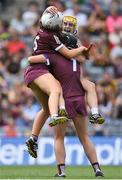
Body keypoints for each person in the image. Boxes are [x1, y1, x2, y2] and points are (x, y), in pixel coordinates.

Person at [26, 7, 104, 178]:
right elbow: (33, 58)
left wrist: (82, 51)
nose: (67, 30)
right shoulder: (63, 53)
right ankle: (92, 169)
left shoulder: (62, 53)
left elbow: (32, 58)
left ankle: (71, 170)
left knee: (66, 136)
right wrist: (82, 50)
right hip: (70, 98)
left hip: (67, 98)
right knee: (78, 136)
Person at [24, 7, 89, 128]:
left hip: (36, 71)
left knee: (46, 107)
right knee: (56, 90)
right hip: (40, 69)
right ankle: (54, 116)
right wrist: (81, 49)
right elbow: (70, 54)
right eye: (61, 24)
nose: (62, 26)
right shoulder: (53, 37)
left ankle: (34, 137)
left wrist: (46, 10)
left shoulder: (42, 30)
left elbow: (44, 20)